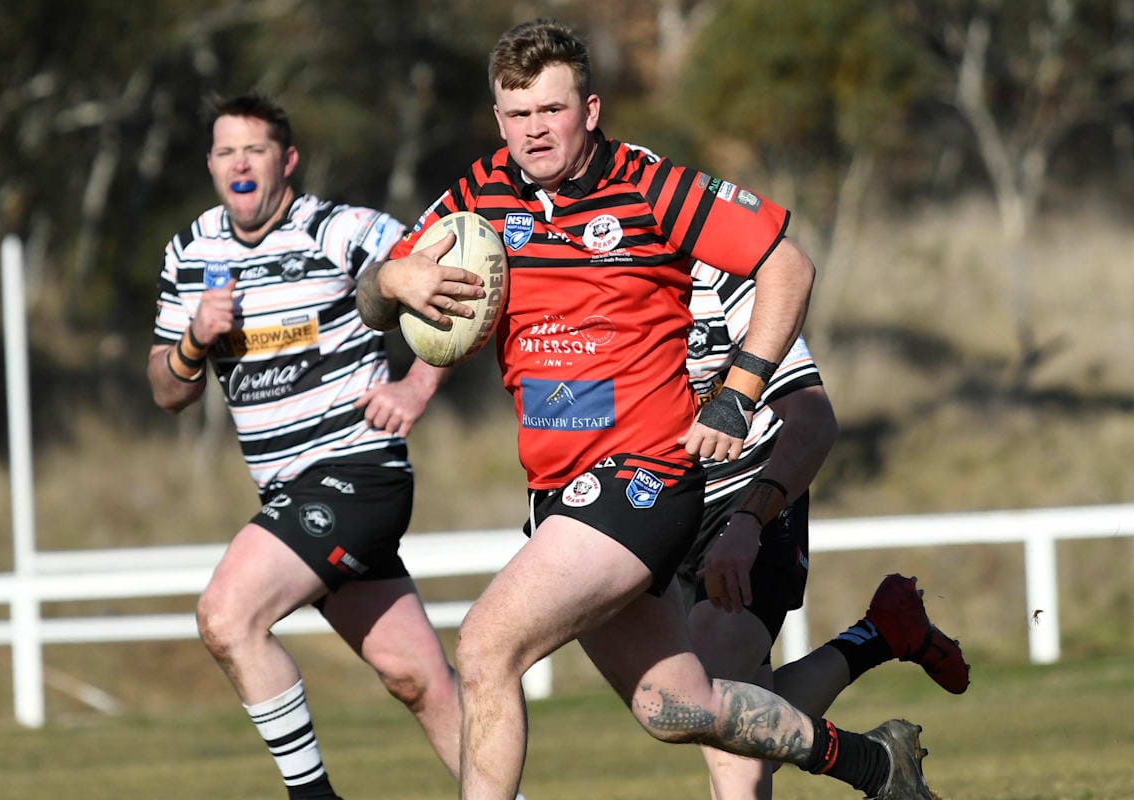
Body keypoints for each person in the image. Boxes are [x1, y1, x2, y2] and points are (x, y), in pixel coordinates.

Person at [357, 18, 936, 800]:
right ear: (498, 119)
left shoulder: (649, 185)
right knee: (676, 706)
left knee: (487, 644)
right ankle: (875, 763)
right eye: (519, 114)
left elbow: (788, 268)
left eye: (552, 110)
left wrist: (737, 395)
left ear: (589, 110)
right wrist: (393, 283)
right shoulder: (479, 195)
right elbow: (372, 297)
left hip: (642, 478)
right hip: (557, 491)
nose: (535, 130)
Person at [147, 94, 462, 800]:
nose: (240, 164)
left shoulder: (340, 229)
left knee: (228, 616)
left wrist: (417, 385)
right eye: (226, 152)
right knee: (418, 680)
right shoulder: (190, 251)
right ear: (210, 165)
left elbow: (457, 283)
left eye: (254, 150)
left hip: (357, 473)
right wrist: (194, 341)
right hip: (290, 496)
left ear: (286, 160)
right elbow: (168, 392)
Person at [680, 261, 971, 799]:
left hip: (749, 491)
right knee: (709, 710)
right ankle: (879, 640)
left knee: (714, 684)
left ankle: (875, 746)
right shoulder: (587, 277)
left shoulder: (723, 274)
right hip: (660, 508)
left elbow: (814, 420)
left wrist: (749, 520)